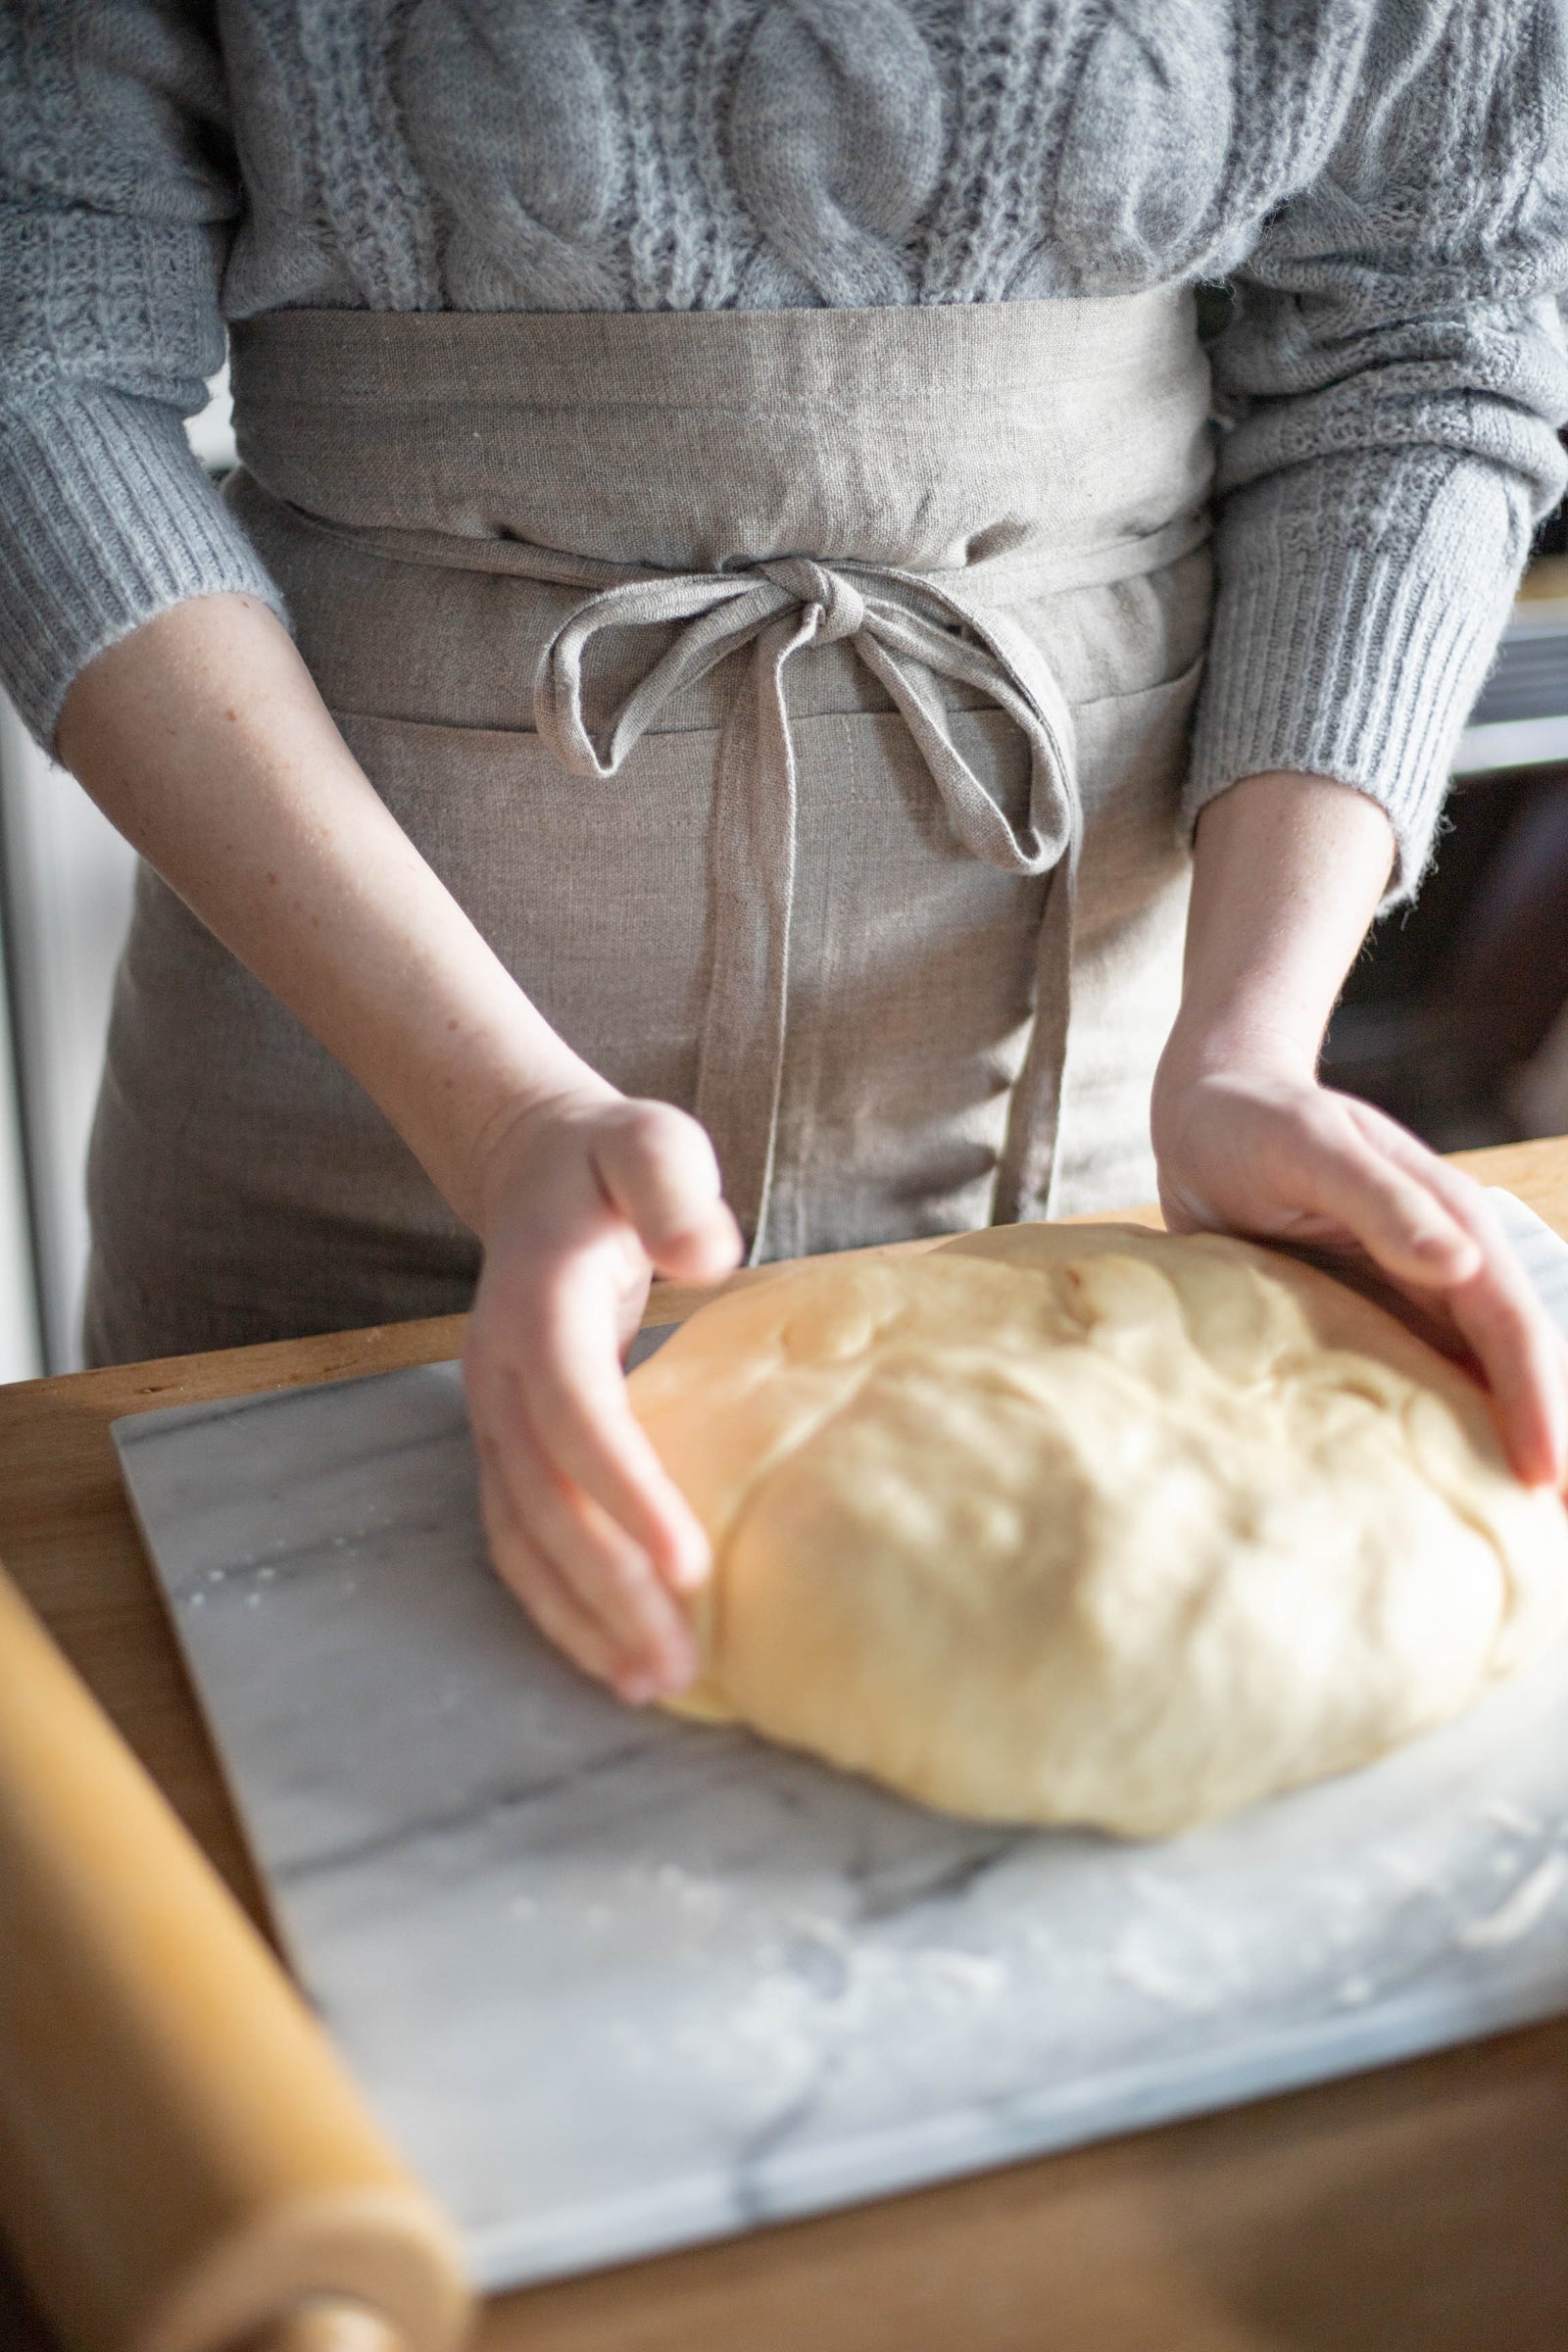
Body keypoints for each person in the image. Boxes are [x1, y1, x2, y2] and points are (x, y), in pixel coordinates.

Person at [4, 2, 1567, 1711]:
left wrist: (1254, 1043)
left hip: (1115, 1077)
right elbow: (38, 355)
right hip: (356, 1087)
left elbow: (1430, 328)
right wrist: (503, 1113)